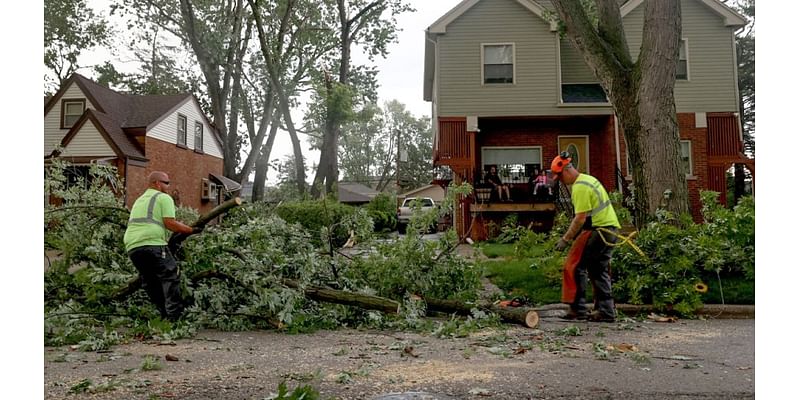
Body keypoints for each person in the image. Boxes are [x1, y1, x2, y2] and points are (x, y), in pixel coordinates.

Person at [550, 152, 621, 322]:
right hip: (611, 229)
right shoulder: (589, 179)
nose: (560, 181)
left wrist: (565, 239)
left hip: (600, 230)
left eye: (559, 177)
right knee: (598, 269)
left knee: (575, 266)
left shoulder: (580, 187)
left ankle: (577, 309)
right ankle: (606, 311)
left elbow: (580, 219)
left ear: (567, 170)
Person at [123, 171, 200, 321]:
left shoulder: (139, 200)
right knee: (170, 276)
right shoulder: (163, 198)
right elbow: (170, 223)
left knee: (150, 281)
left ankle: (163, 314)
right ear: (157, 183)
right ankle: (174, 318)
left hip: (133, 246)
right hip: (152, 242)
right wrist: (191, 230)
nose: (168, 186)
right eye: (166, 183)